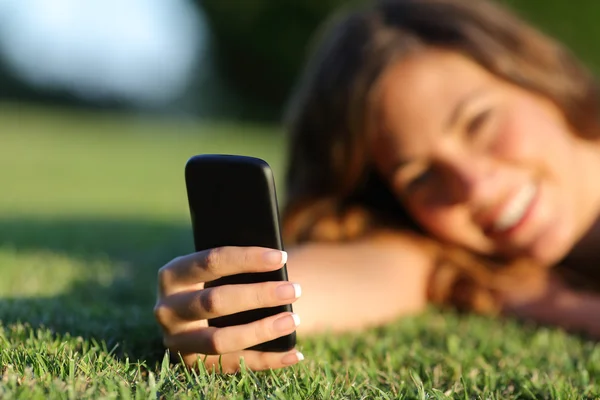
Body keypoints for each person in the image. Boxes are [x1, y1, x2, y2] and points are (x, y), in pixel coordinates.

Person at [153, 0, 600, 373]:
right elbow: (346, 277)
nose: (473, 186)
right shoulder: (455, 259)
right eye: (420, 178)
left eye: (480, 122)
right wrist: (223, 307)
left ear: (538, 77)